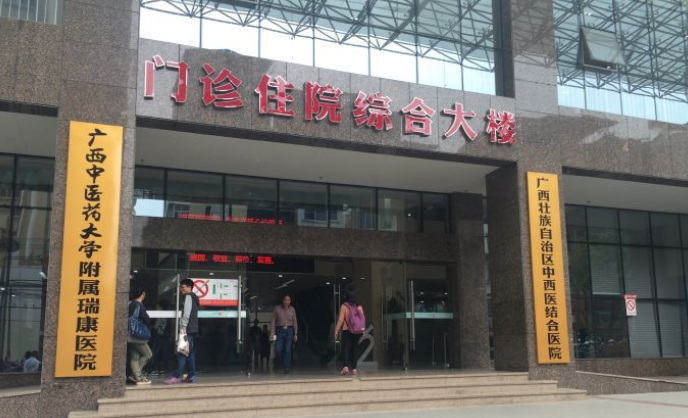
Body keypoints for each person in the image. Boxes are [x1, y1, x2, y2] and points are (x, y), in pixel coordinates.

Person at [165, 279, 200, 384]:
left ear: (189, 287)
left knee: (182, 353)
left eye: (183, 287)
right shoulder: (194, 297)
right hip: (192, 329)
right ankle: (192, 376)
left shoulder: (188, 296)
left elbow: (186, 314)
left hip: (187, 329)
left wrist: (183, 327)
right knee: (190, 354)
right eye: (180, 287)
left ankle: (176, 376)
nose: (181, 289)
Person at [334, 290, 365, 376]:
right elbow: (362, 319)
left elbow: (340, 320)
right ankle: (354, 369)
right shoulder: (358, 306)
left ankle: (345, 367)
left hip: (347, 330)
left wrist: (336, 330)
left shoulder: (344, 306)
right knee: (355, 349)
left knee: (346, 349)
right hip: (357, 331)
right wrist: (362, 330)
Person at [128, 285, 152, 385]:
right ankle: (137, 376)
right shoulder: (139, 305)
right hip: (138, 336)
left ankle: (135, 375)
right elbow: (146, 319)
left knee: (135, 357)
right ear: (143, 294)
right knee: (148, 354)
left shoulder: (130, 304)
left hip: (130, 334)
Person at [270, 294, 298, 374]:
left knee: (287, 349)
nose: (286, 302)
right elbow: (273, 321)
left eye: (288, 300)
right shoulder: (277, 309)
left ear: (290, 301)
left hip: (289, 330)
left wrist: (295, 333)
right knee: (278, 349)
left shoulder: (292, 309)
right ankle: (279, 362)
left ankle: (286, 367)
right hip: (279, 330)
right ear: (282, 300)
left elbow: (295, 321)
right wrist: (272, 332)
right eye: (285, 300)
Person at [149, 299, 174, 376]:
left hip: (159, 336)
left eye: (157, 306)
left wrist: (152, 327)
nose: (156, 307)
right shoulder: (168, 314)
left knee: (156, 353)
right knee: (162, 353)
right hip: (165, 336)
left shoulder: (161, 314)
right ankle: (161, 369)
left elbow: (157, 326)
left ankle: (156, 370)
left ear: (160, 306)